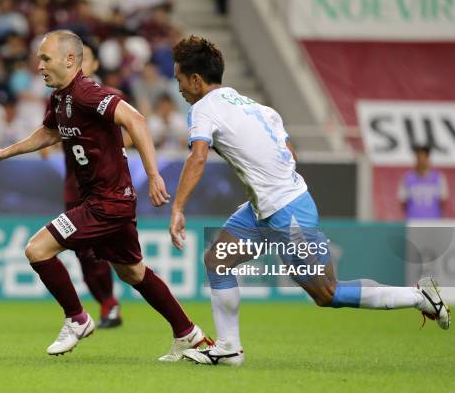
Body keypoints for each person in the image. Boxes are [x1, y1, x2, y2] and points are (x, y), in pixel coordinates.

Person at [168, 36, 451, 367]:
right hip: (265, 209)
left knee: (326, 293)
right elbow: (290, 153)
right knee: (217, 260)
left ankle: (420, 296)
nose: (180, 89)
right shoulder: (257, 107)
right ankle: (229, 347)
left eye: (180, 81)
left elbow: (198, 157)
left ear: (196, 80)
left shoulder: (203, 109)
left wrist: (177, 207)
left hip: (287, 211)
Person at [0, 30, 208, 360]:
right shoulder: (59, 97)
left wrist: (154, 175)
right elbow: (49, 132)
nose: (39, 65)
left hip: (107, 203)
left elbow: (136, 120)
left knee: (37, 249)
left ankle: (77, 319)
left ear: (70, 59)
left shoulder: (86, 92)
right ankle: (190, 334)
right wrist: (5, 152)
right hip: (105, 200)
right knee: (132, 272)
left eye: (45, 58)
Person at [56, 38, 124, 328]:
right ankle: (108, 303)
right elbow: (50, 137)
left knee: (118, 254)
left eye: (87, 59)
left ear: (94, 64)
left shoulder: (109, 97)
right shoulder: (62, 98)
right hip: (75, 186)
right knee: (84, 250)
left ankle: (111, 303)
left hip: (107, 189)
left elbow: (130, 134)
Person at [398, 145, 449, 220]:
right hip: (413, 222)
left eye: (423, 157)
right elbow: (403, 201)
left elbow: (443, 201)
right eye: (419, 157)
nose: (421, 160)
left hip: (433, 222)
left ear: (428, 159)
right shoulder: (407, 178)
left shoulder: (438, 178)